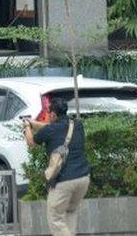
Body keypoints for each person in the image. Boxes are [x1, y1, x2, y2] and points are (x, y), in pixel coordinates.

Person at [23, 97, 90, 236]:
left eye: (49, 113)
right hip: (83, 178)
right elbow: (49, 127)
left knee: (55, 218)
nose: (47, 115)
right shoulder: (77, 124)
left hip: (64, 181)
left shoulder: (51, 130)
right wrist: (33, 122)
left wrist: (27, 127)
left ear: (53, 114)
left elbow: (31, 142)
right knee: (70, 212)